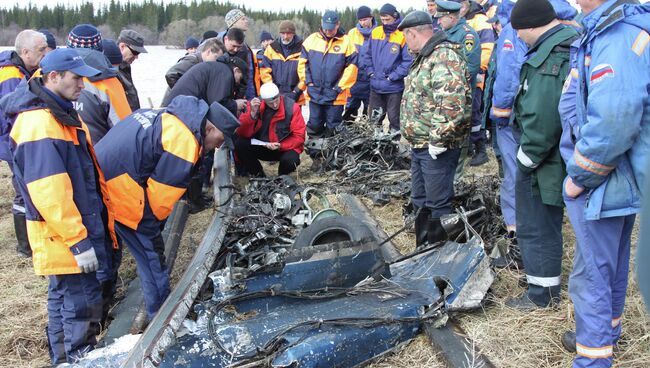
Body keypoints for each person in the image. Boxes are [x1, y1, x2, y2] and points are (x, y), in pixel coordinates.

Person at [1, 48, 117, 363]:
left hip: (72, 229)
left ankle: (64, 357)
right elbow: (49, 193)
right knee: (81, 302)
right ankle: (77, 357)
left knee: (64, 297)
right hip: (65, 235)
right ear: (53, 77)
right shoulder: (40, 123)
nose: (83, 85)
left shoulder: (60, 113)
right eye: (77, 78)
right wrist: (79, 241)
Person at [557, 1, 649, 366]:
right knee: (611, 260)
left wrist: (579, 176)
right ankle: (605, 334)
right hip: (621, 175)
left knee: (591, 272)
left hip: (604, 176)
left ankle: (592, 357)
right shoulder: (613, 27)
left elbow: (615, 117)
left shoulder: (617, 34)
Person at [95, 95, 237, 321]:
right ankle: (161, 319)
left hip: (98, 181)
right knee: (151, 257)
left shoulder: (171, 116)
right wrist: (152, 231)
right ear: (209, 128)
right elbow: (159, 201)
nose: (219, 145)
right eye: (221, 138)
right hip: (120, 191)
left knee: (108, 251)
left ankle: (99, 310)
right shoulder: (184, 142)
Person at [504, 0, 580, 311]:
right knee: (541, 222)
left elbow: (545, 115)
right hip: (553, 154)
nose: (518, 37)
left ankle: (541, 296)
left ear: (531, 25)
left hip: (543, 159)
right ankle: (540, 283)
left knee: (536, 224)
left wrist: (526, 157)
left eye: (519, 30)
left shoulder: (552, 57)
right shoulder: (563, 45)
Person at [398, 11, 471, 248]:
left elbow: (451, 102)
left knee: (438, 201)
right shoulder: (425, 56)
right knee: (420, 199)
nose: (406, 43)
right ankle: (423, 248)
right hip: (420, 145)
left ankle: (438, 252)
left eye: (406, 37)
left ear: (412, 33)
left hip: (437, 146)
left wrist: (438, 139)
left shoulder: (443, 56)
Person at [0, 29, 48, 258]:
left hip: (15, 140)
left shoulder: (23, 69)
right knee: (23, 190)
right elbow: (14, 113)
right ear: (26, 52)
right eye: (41, 50)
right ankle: (25, 247)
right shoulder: (10, 75)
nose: (45, 53)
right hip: (12, 141)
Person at [298, 10, 358, 170]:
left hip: (336, 96)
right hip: (315, 94)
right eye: (326, 28)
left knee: (333, 127)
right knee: (315, 125)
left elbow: (352, 68)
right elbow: (303, 63)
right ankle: (316, 158)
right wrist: (308, 83)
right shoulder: (311, 40)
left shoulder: (347, 42)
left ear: (338, 25)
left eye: (331, 28)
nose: (328, 31)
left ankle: (331, 158)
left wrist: (339, 87)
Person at [67, 24, 132, 144]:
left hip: (56, 156)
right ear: (100, 50)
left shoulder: (45, 75)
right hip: (95, 157)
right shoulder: (108, 82)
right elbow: (126, 131)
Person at [234, 82, 306, 176]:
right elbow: (241, 132)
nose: (275, 105)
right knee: (239, 144)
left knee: (292, 159)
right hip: (261, 146)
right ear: (264, 100)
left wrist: (281, 145)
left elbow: (299, 136)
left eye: (277, 101)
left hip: (282, 148)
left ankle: (282, 178)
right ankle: (258, 176)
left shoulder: (292, 107)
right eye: (271, 103)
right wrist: (252, 115)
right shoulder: (254, 106)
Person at [362, 3, 413, 135]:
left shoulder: (403, 34)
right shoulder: (375, 32)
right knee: (374, 119)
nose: (385, 22)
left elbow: (408, 61)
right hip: (375, 86)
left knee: (394, 119)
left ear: (395, 17)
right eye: (382, 20)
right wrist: (370, 72)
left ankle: (393, 148)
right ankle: (374, 146)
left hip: (393, 87)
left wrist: (393, 76)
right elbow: (367, 55)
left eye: (387, 20)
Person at [458, 0, 497, 167]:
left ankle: (481, 150)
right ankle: (467, 148)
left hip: (475, 76)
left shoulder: (479, 20)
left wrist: (477, 71)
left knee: (474, 113)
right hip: (458, 78)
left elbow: (487, 48)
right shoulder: (458, 20)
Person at [162, 54, 247, 114]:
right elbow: (217, 104)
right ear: (236, 70)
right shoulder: (225, 72)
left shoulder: (217, 68)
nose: (239, 82)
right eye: (241, 78)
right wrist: (235, 104)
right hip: (180, 110)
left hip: (174, 107)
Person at [435, 1, 481, 89]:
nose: (438, 22)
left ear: (451, 18)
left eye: (440, 18)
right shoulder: (443, 33)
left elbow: (471, 66)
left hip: (459, 91)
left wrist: (451, 84)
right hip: (442, 88)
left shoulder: (467, 35)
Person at [343, 6, 376, 124]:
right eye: (361, 20)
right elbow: (346, 55)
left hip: (371, 81)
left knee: (370, 114)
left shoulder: (378, 33)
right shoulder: (352, 33)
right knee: (349, 112)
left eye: (365, 19)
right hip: (354, 81)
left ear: (371, 18)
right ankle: (347, 134)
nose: (363, 22)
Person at [259, 21, 305, 104]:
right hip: (275, 97)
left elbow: (305, 74)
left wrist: (296, 92)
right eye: (283, 33)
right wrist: (272, 90)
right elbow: (264, 71)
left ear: (293, 33)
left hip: (296, 96)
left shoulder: (303, 49)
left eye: (288, 33)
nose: (285, 36)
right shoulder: (271, 48)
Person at [221, 9, 258, 99]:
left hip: (249, 91)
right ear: (233, 23)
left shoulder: (244, 44)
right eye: (242, 19)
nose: (246, 21)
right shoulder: (224, 43)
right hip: (238, 95)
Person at [117, 29, 148, 111]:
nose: (136, 57)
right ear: (122, 46)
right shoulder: (111, 70)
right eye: (135, 52)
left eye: (138, 53)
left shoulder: (126, 67)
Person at [219, 27, 249, 99]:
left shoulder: (243, 51)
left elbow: (244, 80)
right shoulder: (214, 48)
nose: (236, 50)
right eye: (233, 46)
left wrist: (238, 99)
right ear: (226, 39)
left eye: (239, 47)